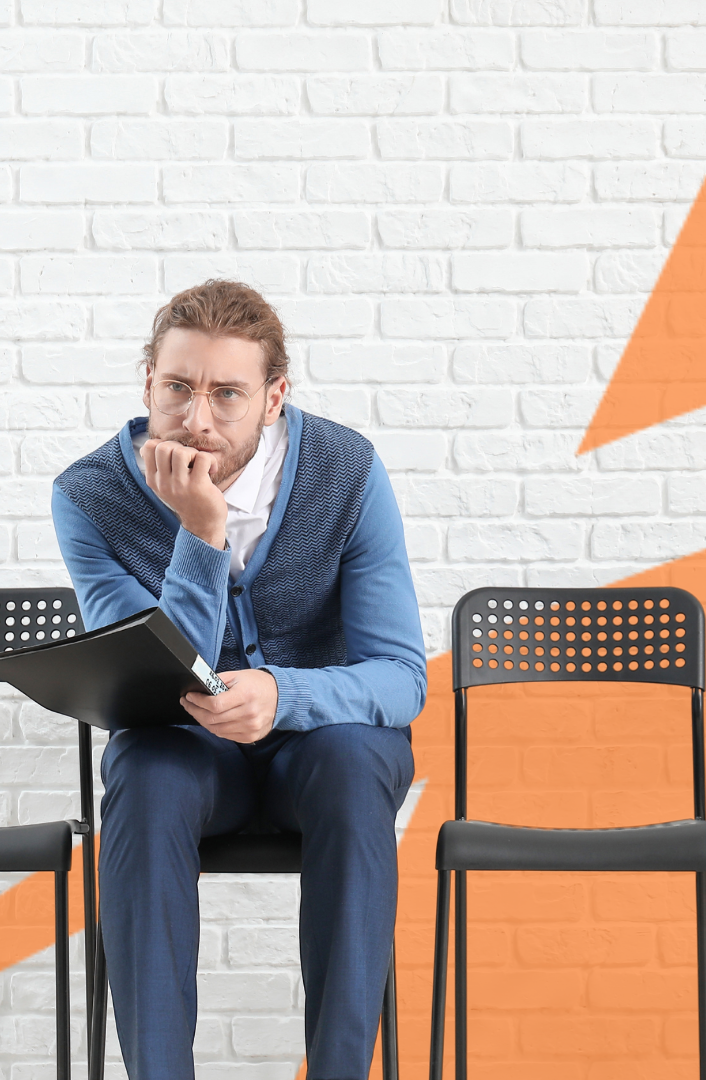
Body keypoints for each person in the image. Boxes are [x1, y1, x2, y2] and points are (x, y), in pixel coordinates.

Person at [50, 280, 426, 1080]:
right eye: (178, 388)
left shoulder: (345, 472)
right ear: (147, 379)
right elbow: (151, 670)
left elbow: (400, 678)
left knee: (359, 763)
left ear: (274, 397)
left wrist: (287, 696)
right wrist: (202, 531)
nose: (197, 418)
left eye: (228, 394)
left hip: (321, 754)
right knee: (143, 771)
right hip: (186, 759)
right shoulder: (89, 496)